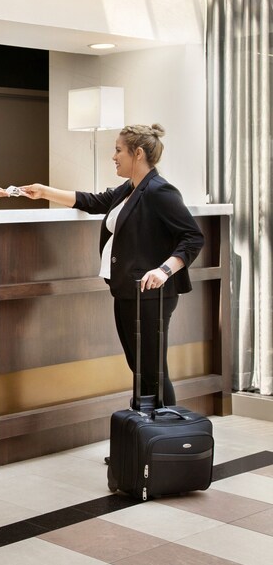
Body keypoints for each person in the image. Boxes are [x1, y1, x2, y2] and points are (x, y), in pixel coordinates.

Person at [20, 124, 203, 412]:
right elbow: (92, 201)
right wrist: (44, 192)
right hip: (128, 291)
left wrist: (163, 271)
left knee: (153, 372)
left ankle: (164, 443)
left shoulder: (159, 191)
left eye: (118, 150)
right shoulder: (130, 189)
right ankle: (143, 440)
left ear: (138, 153)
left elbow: (193, 237)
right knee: (140, 368)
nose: (113, 156)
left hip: (152, 295)